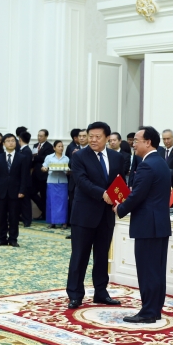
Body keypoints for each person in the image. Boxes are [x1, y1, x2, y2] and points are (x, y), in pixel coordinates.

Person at [114, 126, 172, 323]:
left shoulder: (147, 165)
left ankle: (148, 312)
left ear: (148, 142)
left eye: (137, 140)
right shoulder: (161, 162)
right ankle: (154, 309)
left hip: (148, 226)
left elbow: (138, 195)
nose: (133, 143)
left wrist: (120, 208)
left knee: (148, 271)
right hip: (159, 225)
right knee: (156, 270)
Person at [66, 121, 124, 309]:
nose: (93, 140)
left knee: (102, 256)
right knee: (79, 256)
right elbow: (81, 181)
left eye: (97, 137)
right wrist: (103, 194)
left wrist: (117, 198)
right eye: (90, 136)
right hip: (84, 215)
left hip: (106, 215)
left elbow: (119, 182)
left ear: (107, 138)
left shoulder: (117, 157)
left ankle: (101, 292)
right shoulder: (79, 156)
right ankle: (75, 294)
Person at [0, 133, 30, 247]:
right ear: (3, 143)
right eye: (8, 141)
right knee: (2, 217)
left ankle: (13, 239)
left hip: (16, 192)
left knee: (14, 217)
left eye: (13, 140)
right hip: (0, 192)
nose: (11, 143)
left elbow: (24, 176)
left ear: (16, 142)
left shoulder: (22, 158)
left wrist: (22, 191)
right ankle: (2, 238)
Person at [42, 139, 70, 229]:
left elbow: (68, 170)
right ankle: (52, 222)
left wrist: (68, 171)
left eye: (62, 146)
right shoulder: (49, 157)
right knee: (51, 202)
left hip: (63, 182)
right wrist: (44, 169)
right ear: (54, 148)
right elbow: (44, 167)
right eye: (59, 146)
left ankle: (64, 222)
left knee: (63, 202)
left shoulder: (66, 158)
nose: (61, 148)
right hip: (51, 181)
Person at [30, 129, 54, 221]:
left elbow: (46, 159)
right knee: (31, 193)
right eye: (38, 136)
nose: (39, 138)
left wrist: (36, 157)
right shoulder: (36, 145)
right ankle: (44, 210)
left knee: (44, 196)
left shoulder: (49, 147)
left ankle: (45, 214)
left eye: (41, 136)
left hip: (44, 176)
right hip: (35, 174)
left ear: (46, 137)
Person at [18, 130, 33, 227]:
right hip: (23, 180)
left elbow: (26, 167)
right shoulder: (23, 150)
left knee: (26, 201)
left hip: (25, 180)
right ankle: (24, 219)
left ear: (20, 139)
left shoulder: (26, 151)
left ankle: (27, 220)